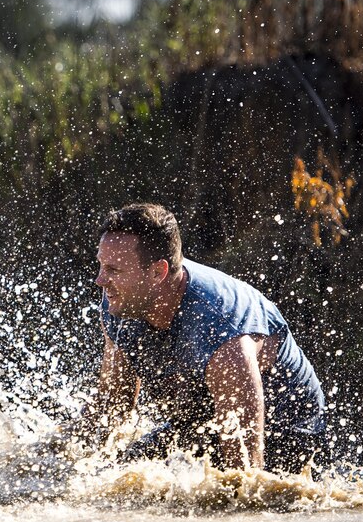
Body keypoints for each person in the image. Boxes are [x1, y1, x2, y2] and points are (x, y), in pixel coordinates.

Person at [76, 203, 327, 473]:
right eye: (101, 265)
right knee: (121, 472)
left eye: (114, 270)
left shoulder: (222, 333)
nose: (100, 280)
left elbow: (247, 475)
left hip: (287, 435)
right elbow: (111, 408)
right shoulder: (121, 302)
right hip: (202, 421)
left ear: (158, 272)